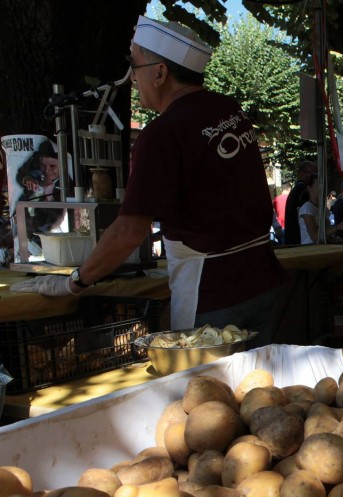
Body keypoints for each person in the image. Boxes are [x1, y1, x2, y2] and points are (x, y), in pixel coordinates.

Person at [10, 16, 287, 347]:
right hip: (263, 280)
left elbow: (129, 231)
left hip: (214, 292)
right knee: (257, 388)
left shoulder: (162, 134)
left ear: (160, 73)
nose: (132, 78)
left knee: (213, 394)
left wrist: (75, 281)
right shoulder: (229, 109)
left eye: (135, 66)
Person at [283, 160, 317, 245]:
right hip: (300, 241)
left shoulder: (297, 189)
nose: (315, 176)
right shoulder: (302, 190)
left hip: (296, 240)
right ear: (301, 173)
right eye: (312, 173)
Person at [298, 174, 321, 244]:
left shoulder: (323, 209)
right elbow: (314, 237)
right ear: (309, 188)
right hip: (310, 249)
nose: (321, 189)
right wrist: (337, 227)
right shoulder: (306, 208)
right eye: (318, 186)